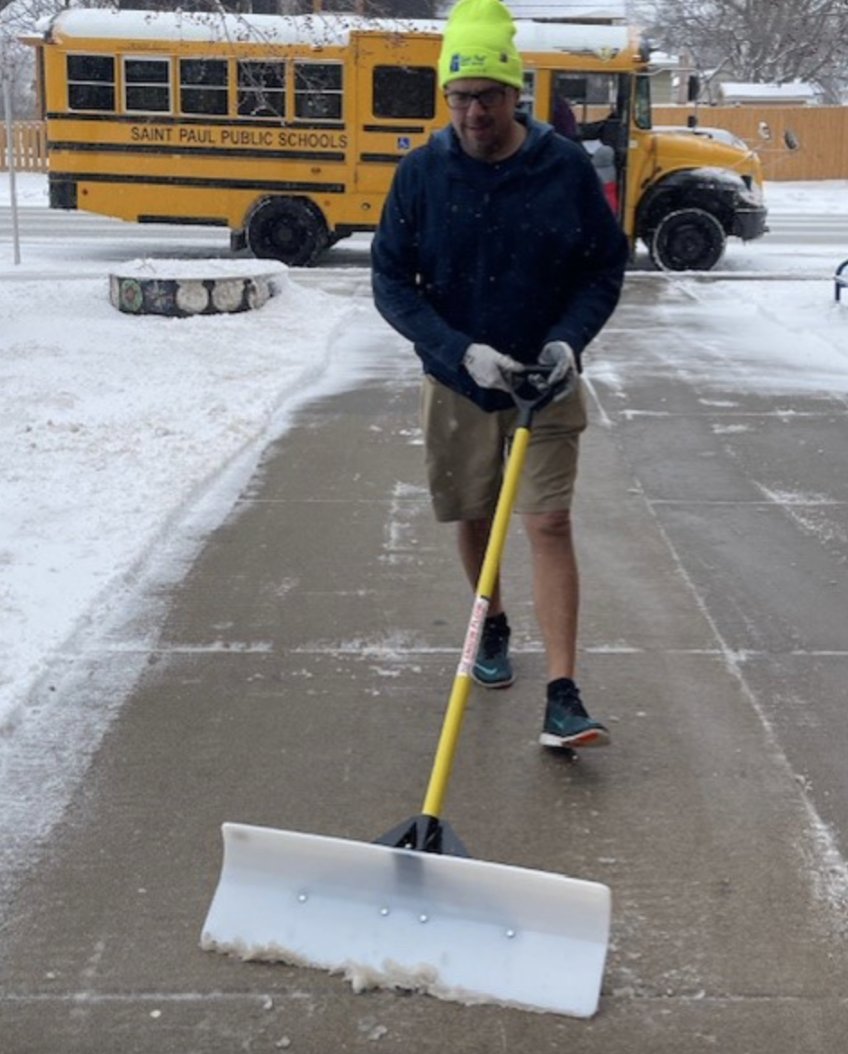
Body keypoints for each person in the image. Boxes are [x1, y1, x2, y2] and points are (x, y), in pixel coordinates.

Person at [371, 0, 629, 750]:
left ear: (516, 93)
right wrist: (458, 352)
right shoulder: (421, 174)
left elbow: (602, 267)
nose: (471, 112)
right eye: (458, 97)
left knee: (547, 521)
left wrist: (567, 343)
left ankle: (563, 694)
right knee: (475, 517)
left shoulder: (563, 169)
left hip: (544, 383)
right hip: (458, 383)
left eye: (486, 96)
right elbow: (391, 282)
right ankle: (493, 624)